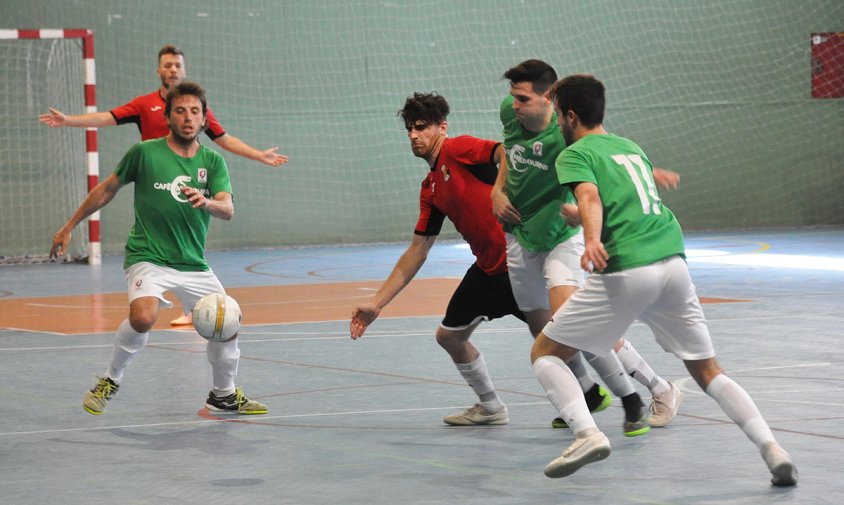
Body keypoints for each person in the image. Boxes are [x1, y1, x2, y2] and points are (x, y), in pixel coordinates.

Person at [531, 74, 797, 486]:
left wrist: (591, 240)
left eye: (558, 118)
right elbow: (612, 197)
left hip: (628, 268)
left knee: (546, 352)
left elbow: (589, 197)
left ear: (569, 116)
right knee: (707, 370)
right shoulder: (630, 147)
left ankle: (586, 434)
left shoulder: (575, 153)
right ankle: (772, 449)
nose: (556, 127)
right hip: (673, 263)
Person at [50, 81, 268, 417]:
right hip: (148, 257)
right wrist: (69, 225)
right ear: (167, 116)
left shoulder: (212, 162)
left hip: (193, 263)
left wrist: (208, 202)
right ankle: (110, 379)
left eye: (195, 111)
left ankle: (222, 395)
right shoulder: (144, 153)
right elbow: (107, 189)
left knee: (228, 322)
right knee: (143, 315)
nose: (187, 117)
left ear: (204, 119)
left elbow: (227, 209)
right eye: (180, 111)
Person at [491, 59, 682, 433]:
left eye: (524, 99)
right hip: (519, 236)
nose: (514, 105)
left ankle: (649, 391)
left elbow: (604, 155)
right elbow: (507, 152)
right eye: (513, 97)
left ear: (551, 102)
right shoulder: (509, 113)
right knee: (542, 327)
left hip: (561, 236)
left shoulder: (567, 136)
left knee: (573, 324)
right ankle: (584, 395)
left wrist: (643, 171)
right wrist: (497, 190)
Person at [39, 44, 289, 326]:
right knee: (148, 292)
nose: (172, 70)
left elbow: (223, 138)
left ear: (184, 71)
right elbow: (108, 117)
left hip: (187, 189)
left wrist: (258, 154)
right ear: (159, 71)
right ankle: (149, 300)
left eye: (177, 65)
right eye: (167, 65)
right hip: (155, 183)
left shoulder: (196, 110)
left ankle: (192, 307)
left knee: (190, 255)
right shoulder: (145, 106)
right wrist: (68, 120)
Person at [350, 92, 532, 426]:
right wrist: (377, 303)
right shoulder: (430, 187)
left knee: (569, 335)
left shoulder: (457, 149)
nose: (413, 135)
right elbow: (417, 251)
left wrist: (497, 190)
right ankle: (491, 407)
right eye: (409, 129)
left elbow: (503, 151)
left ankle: (651, 388)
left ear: (442, 127)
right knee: (450, 336)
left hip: (522, 265)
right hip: (489, 272)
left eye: (421, 127)